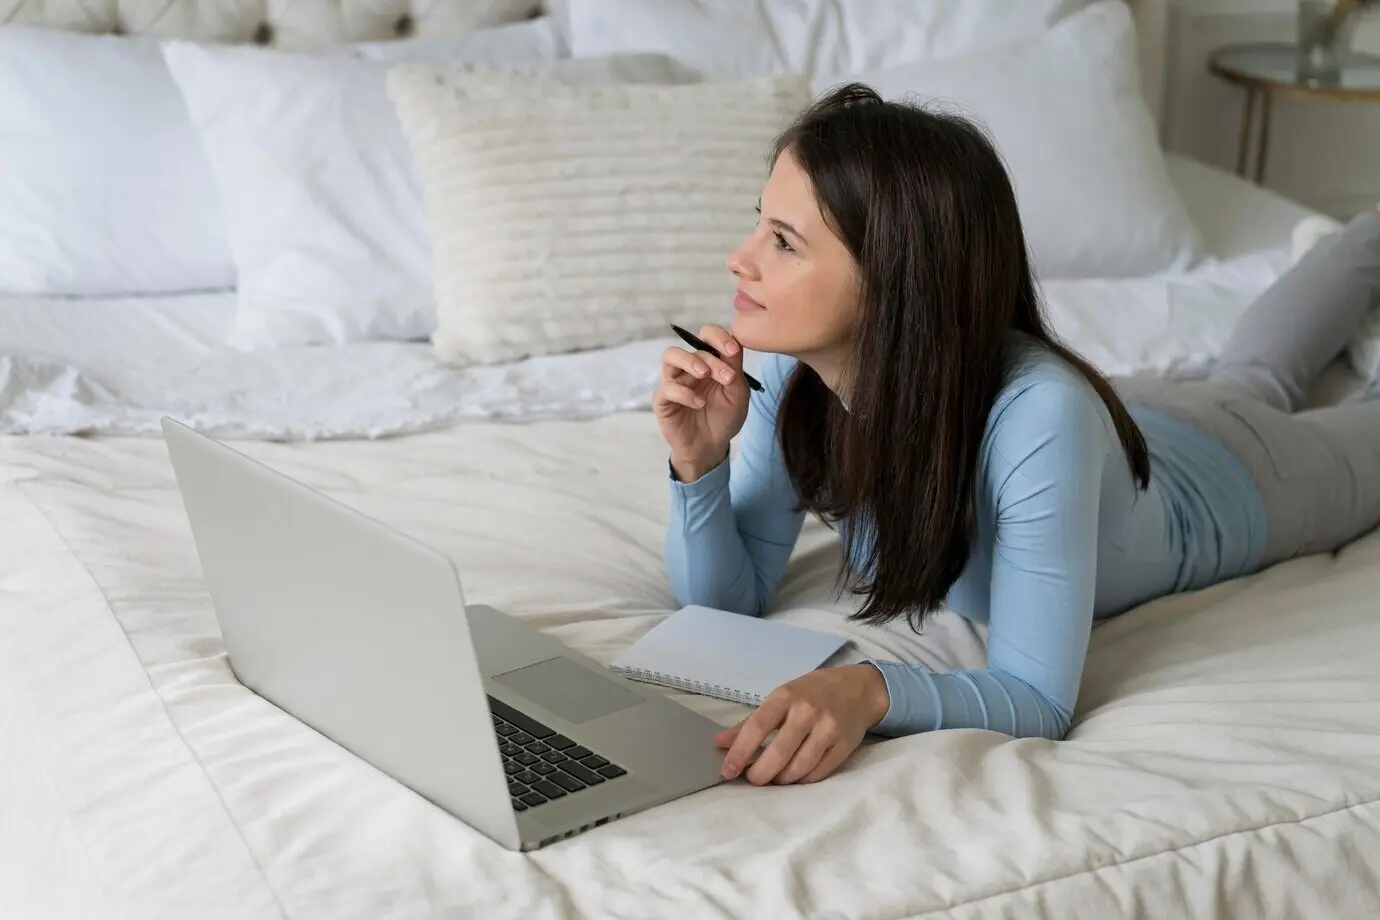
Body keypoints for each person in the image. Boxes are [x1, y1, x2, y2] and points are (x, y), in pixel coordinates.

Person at [652, 83, 1380, 787]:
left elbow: (1038, 699)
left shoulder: (1041, 414)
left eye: (783, 242)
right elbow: (724, 603)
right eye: (761, 223)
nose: (739, 257)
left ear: (896, 276)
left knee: (1252, 392)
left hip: (1239, 480)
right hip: (1134, 426)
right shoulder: (793, 373)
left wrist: (870, 689)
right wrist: (699, 460)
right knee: (1250, 376)